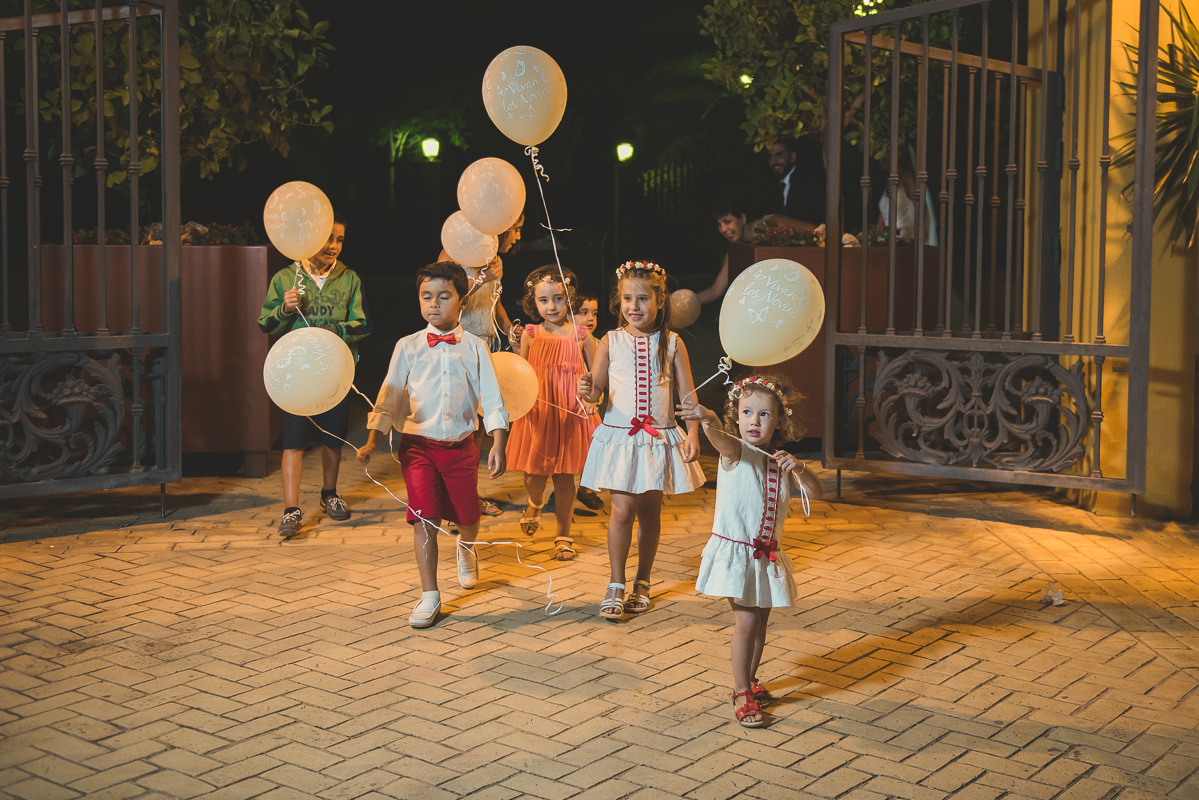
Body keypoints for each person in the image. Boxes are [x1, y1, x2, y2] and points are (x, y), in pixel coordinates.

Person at [356, 262, 508, 629]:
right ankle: (429, 594)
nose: (434, 304)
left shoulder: (474, 348)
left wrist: (498, 442)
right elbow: (389, 394)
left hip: (460, 448)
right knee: (424, 516)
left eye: (444, 297)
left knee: (468, 516)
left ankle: (467, 546)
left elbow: (492, 396)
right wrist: (373, 438)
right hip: (418, 448)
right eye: (427, 297)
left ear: (463, 301)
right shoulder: (407, 346)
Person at [677, 374, 824, 728]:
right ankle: (741, 690)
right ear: (736, 416)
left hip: (765, 556)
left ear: (779, 421)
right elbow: (718, 438)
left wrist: (800, 467)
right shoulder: (736, 452)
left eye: (764, 415)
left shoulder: (779, 461)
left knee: (761, 623)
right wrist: (708, 418)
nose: (754, 422)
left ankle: (751, 680)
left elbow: (816, 493)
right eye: (747, 413)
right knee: (747, 619)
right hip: (735, 555)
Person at [577, 261, 704, 620]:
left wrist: (693, 432)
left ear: (660, 300)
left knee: (649, 511)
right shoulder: (609, 341)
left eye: (643, 298)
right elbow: (595, 392)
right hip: (621, 440)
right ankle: (616, 583)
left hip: (657, 441)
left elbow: (687, 393)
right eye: (627, 299)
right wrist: (586, 389)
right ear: (619, 302)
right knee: (621, 510)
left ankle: (642, 581)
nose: (635, 306)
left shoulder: (673, 343)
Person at [258, 217, 372, 539]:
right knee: (294, 440)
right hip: (296, 371)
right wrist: (285, 309)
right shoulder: (286, 279)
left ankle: (329, 494)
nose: (333, 246)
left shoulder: (349, 278)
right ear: (310, 240)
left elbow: (363, 324)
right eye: (327, 239)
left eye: (339, 240)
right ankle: (291, 509)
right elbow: (266, 325)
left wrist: (334, 330)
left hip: (334, 371)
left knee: (332, 436)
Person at [507, 265, 597, 560]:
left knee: (564, 477)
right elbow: (521, 372)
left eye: (558, 299)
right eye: (544, 300)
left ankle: (563, 534)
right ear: (534, 302)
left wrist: (593, 395)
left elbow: (598, 375)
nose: (551, 306)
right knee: (534, 472)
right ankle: (534, 502)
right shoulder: (531, 333)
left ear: (569, 297)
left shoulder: (582, 335)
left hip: (570, 411)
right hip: (539, 410)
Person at [438, 214, 523, 519]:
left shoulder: (496, 258)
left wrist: (508, 326)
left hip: (485, 348)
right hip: (456, 349)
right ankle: (449, 499)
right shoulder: (452, 252)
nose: (517, 237)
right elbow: (444, 300)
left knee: (475, 432)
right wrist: (479, 279)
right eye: (516, 230)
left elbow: (493, 302)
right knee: (456, 431)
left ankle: (466, 495)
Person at [571, 290, 605, 511]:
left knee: (594, 445)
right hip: (565, 401)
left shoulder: (594, 341)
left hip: (586, 403)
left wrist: (593, 399)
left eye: (594, 313)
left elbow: (596, 373)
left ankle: (585, 488)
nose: (590, 318)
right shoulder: (565, 338)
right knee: (567, 448)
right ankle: (561, 489)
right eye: (583, 313)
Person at [754, 139, 825, 235]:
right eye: (770, 157)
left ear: (792, 157)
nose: (774, 161)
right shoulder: (772, 186)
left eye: (779, 155)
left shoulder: (810, 183)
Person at [697, 199, 753, 305]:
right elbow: (715, 291)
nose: (723, 229)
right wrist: (685, 301)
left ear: (743, 218)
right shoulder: (733, 252)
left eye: (727, 222)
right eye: (719, 224)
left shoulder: (770, 226)